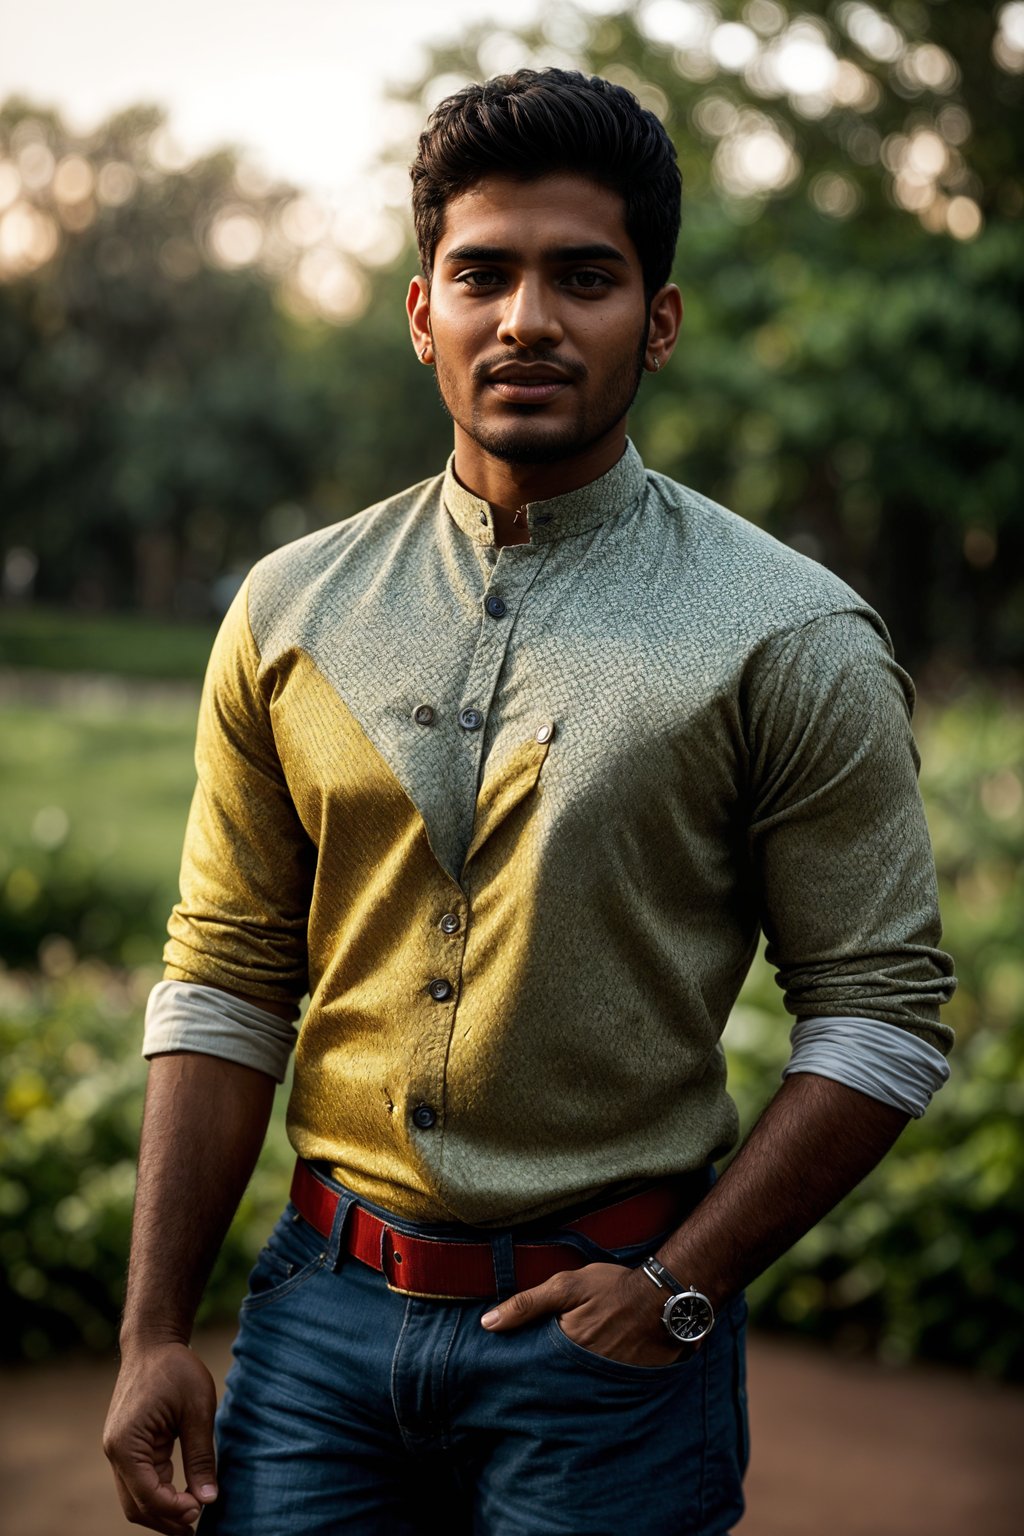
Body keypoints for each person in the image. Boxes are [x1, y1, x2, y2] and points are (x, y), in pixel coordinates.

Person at [103, 68, 955, 1536]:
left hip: (608, 1356)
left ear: (659, 322)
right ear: (423, 309)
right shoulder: (290, 608)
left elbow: (883, 1013)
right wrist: (150, 1330)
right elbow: (228, 975)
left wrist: (677, 1289)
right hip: (318, 1327)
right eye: (483, 274)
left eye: (585, 278)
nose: (529, 320)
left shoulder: (789, 637)